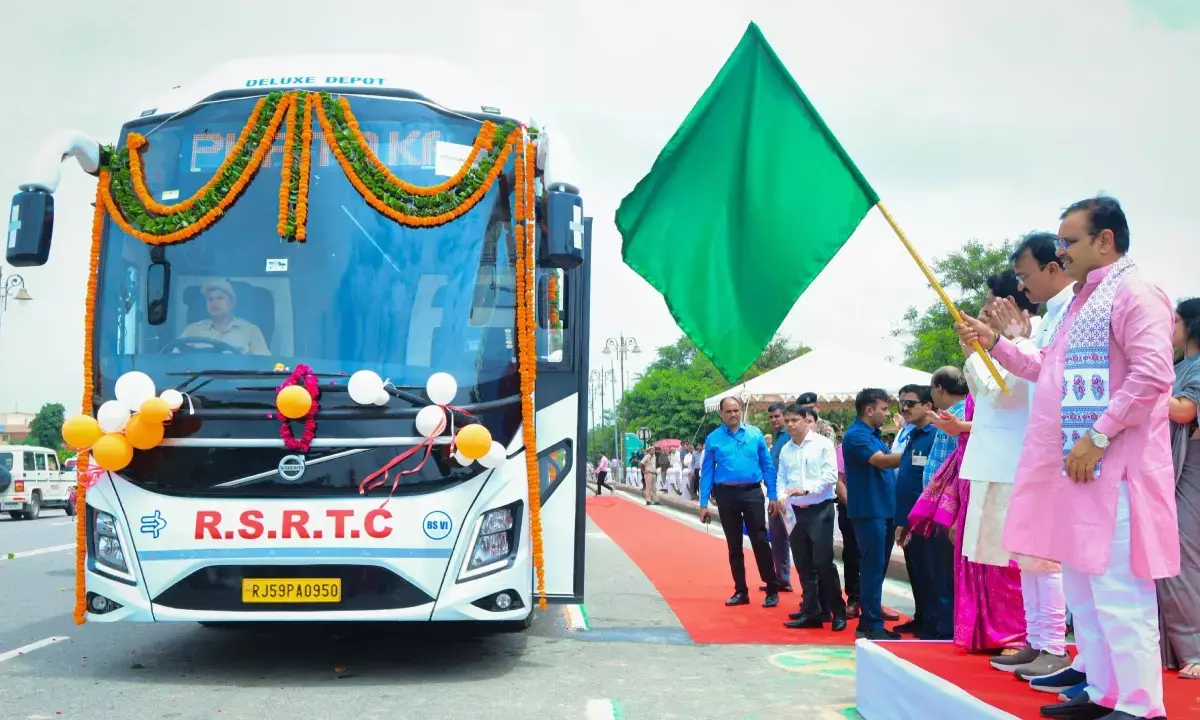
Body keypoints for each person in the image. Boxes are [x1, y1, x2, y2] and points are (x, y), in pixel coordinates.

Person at [957, 196, 1177, 719]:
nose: (1061, 251)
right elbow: (1046, 369)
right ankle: (1103, 693)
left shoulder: (1136, 293)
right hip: (1074, 471)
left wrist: (1097, 436)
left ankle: (1141, 706)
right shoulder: (1081, 302)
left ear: (1106, 240)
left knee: (1120, 592)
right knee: (1084, 592)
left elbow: (1153, 375)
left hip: (1114, 470)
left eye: (1069, 241)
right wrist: (995, 342)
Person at [982, 233, 1076, 683]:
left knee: (1050, 558)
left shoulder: (1070, 312)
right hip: (1034, 447)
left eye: (1025, 276)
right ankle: (1039, 640)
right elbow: (1035, 368)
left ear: (1053, 267)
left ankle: (1055, 646)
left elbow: (1025, 382)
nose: (1022, 287)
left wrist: (1008, 341)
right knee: (1031, 554)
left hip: (1060, 448)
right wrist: (1000, 342)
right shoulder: (1052, 318)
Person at [699, 396, 781, 608]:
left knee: (760, 541)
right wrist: (703, 504)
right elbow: (707, 472)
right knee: (734, 544)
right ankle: (741, 590)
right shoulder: (713, 439)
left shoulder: (755, 434)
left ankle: (772, 587)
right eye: (728, 411)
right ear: (721, 413)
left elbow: (767, 466)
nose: (733, 414)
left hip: (752, 493)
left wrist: (773, 495)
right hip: (726, 496)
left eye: (736, 410)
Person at [1157, 297, 1200, 680]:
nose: (1169, 328)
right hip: (1175, 465)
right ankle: (1174, 647)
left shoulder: (1198, 366)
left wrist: (1147, 385)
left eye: (1174, 321)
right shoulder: (1179, 366)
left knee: (1182, 557)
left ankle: (1195, 650)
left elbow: (1185, 411)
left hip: (1192, 467)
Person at [841, 388, 904, 640]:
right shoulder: (856, 435)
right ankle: (870, 623)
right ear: (869, 410)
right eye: (884, 409)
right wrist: (917, 453)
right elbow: (882, 461)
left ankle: (871, 620)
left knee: (878, 567)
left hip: (883, 509)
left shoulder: (873, 435)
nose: (887, 414)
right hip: (869, 511)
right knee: (872, 567)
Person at [776, 405, 846, 631]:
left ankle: (838, 611)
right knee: (803, 563)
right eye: (787, 420)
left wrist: (806, 490)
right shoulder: (786, 449)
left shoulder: (822, 444)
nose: (790, 424)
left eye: (794, 420)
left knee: (823, 563)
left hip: (819, 509)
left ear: (806, 420)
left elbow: (830, 476)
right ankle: (811, 612)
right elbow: (781, 477)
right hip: (795, 512)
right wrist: (780, 496)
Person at [892, 384, 938, 637]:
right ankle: (921, 618)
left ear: (928, 405)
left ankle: (935, 624)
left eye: (910, 403)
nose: (904, 408)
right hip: (910, 518)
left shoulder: (937, 436)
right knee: (916, 572)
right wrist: (902, 520)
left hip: (928, 519)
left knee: (931, 573)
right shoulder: (913, 434)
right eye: (902, 403)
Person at [180, 280, 270, 355]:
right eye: (210, 299)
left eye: (220, 298)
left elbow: (263, 363)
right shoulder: (191, 330)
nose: (214, 302)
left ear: (232, 303)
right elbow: (176, 359)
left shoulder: (251, 330)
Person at [763, 403, 794, 593]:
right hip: (774, 495)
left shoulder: (790, 436)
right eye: (771, 417)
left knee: (794, 539)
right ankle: (782, 578)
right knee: (777, 539)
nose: (774, 420)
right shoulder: (777, 439)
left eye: (777, 416)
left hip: (787, 497)